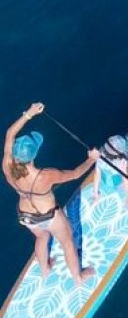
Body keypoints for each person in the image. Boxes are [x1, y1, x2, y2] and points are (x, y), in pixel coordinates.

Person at [2, 102, 99, 284]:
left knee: (42, 236)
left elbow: (9, 134)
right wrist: (91, 159)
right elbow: (76, 174)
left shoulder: (7, 167)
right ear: (33, 156)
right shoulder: (45, 176)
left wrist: (28, 114)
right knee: (68, 242)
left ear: (15, 155)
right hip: (48, 215)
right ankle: (78, 277)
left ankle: (45, 269)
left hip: (25, 216)